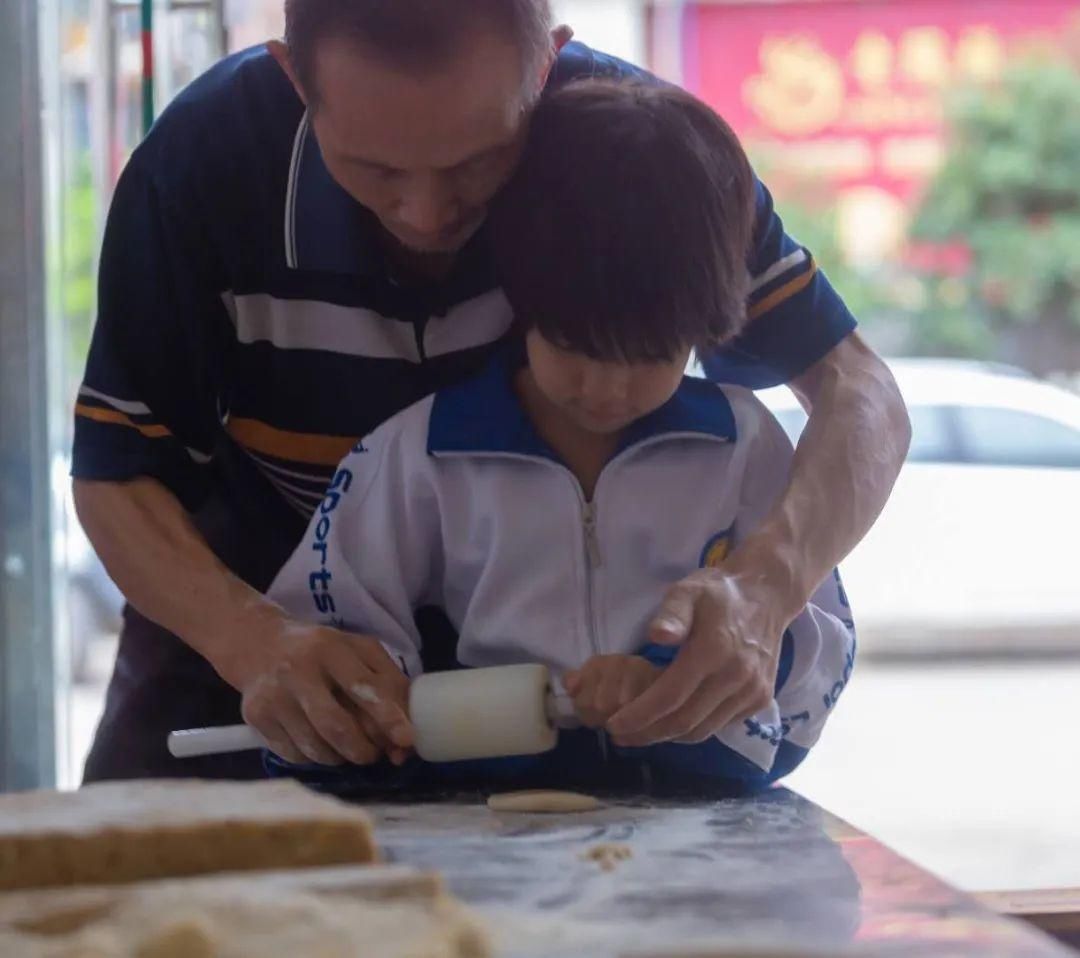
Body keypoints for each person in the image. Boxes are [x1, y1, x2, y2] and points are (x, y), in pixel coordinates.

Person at [71, 0, 906, 782]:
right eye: (375, 167)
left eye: (478, 163)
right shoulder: (201, 166)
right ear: (296, 79)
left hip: (538, 673)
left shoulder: (639, 154)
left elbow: (859, 391)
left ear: (547, 66)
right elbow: (117, 472)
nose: (427, 214)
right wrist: (249, 638)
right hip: (243, 605)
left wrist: (766, 589)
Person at [263, 80, 856, 797]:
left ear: (709, 331)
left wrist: (680, 683)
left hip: (699, 822)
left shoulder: (742, 446)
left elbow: (820, 645)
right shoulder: (426, 452)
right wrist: (369, 705)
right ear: (520, 298)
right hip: (477, 819)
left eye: (651, 355)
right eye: (574, 346)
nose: (607, 390)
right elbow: (330, 622)